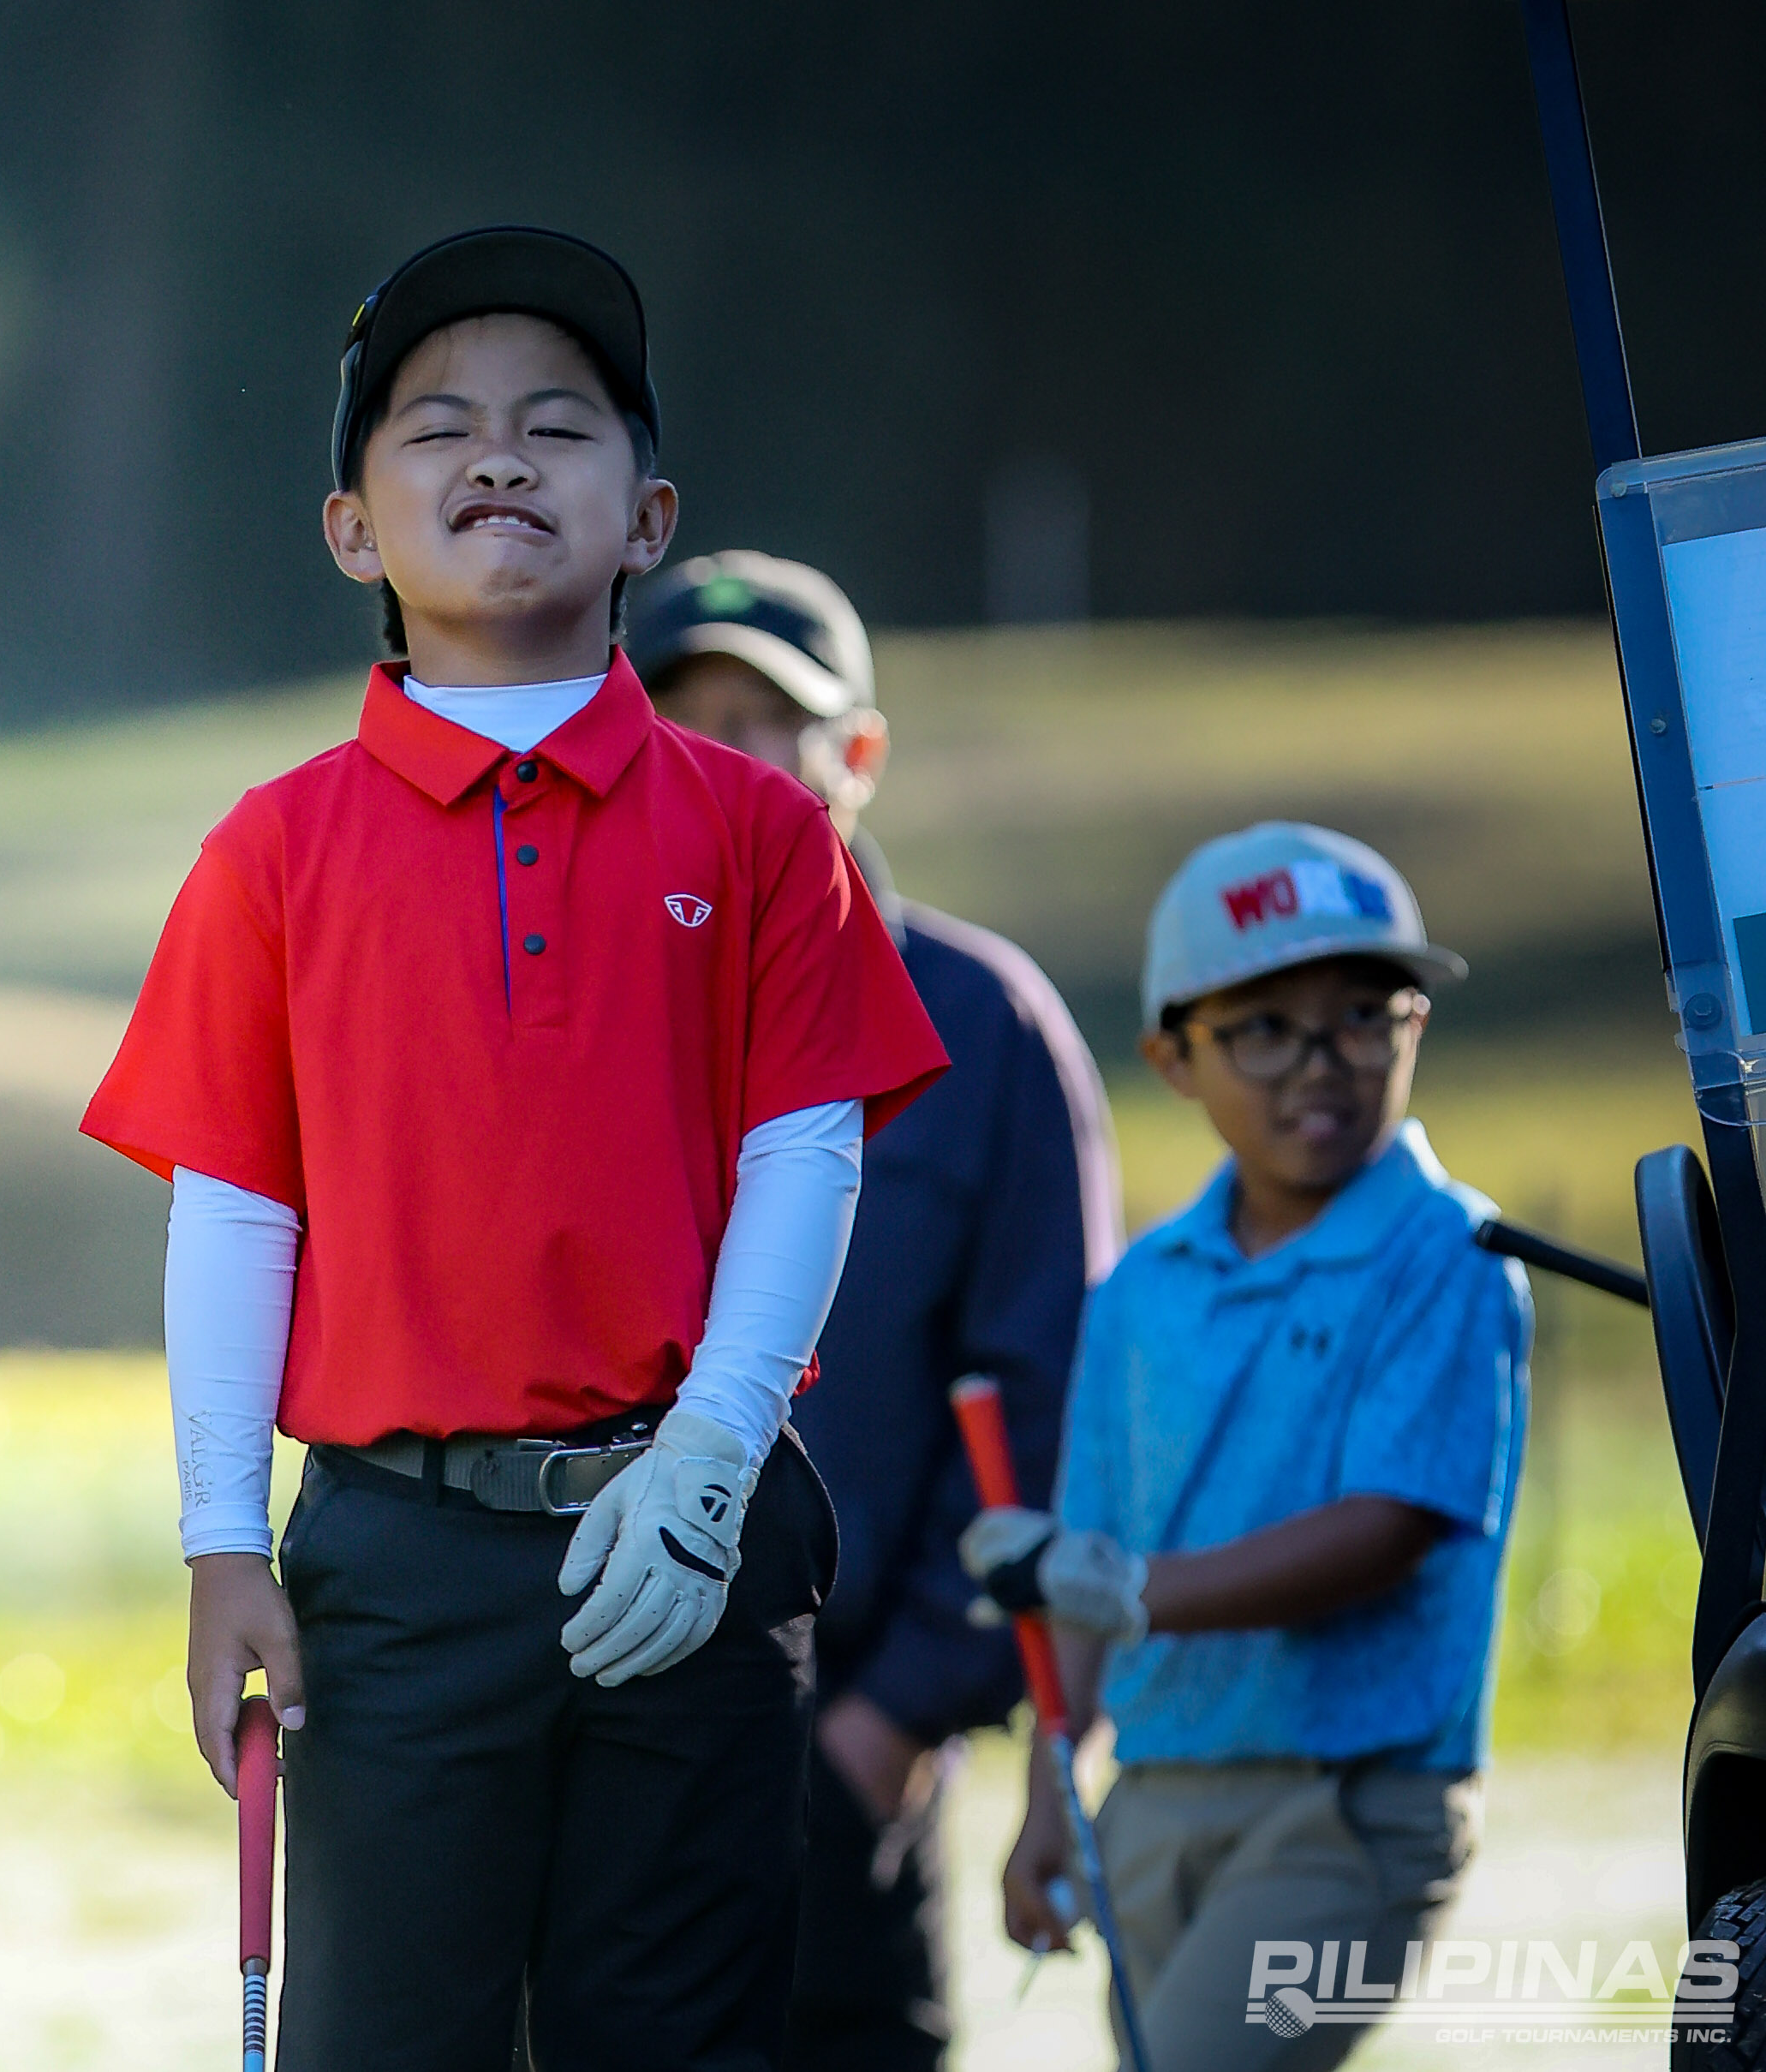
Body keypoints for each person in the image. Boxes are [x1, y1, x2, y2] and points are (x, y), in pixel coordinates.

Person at [79, 226, 951, 2070]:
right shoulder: (275, 849)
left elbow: (810, 1156)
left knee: (678, 2042)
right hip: (400, 1558)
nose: (497, 455)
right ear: (350, 528)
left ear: (647, 517)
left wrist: (715, 1450)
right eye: (437, 427)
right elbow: (235, 1206)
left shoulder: (758, 831)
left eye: (558, 427)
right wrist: (224, 1537)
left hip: (690, 1538)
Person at [625, 553, 1122, 2071]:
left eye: (762, 722)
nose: (722, 762)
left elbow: (1050, 1396)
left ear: (856, 755)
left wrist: (900, 1711)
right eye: (682, 725)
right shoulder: (574, 1023)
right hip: (591, 1746)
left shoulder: (982, 1027)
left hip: (845, 1746)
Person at [967, 821, 1527, 2071]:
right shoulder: (1144, 1289)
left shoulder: (1448, 1254)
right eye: (1264, 1028)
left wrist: (1130, 1593)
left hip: (1351, 1804)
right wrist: (1051, 1797)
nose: (1320, 1066)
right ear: (1173, 1057)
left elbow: (1383, 1532)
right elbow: (1089, 1550)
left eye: (1364, 1017)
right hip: (1156, 1796)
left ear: (1415, 1027)